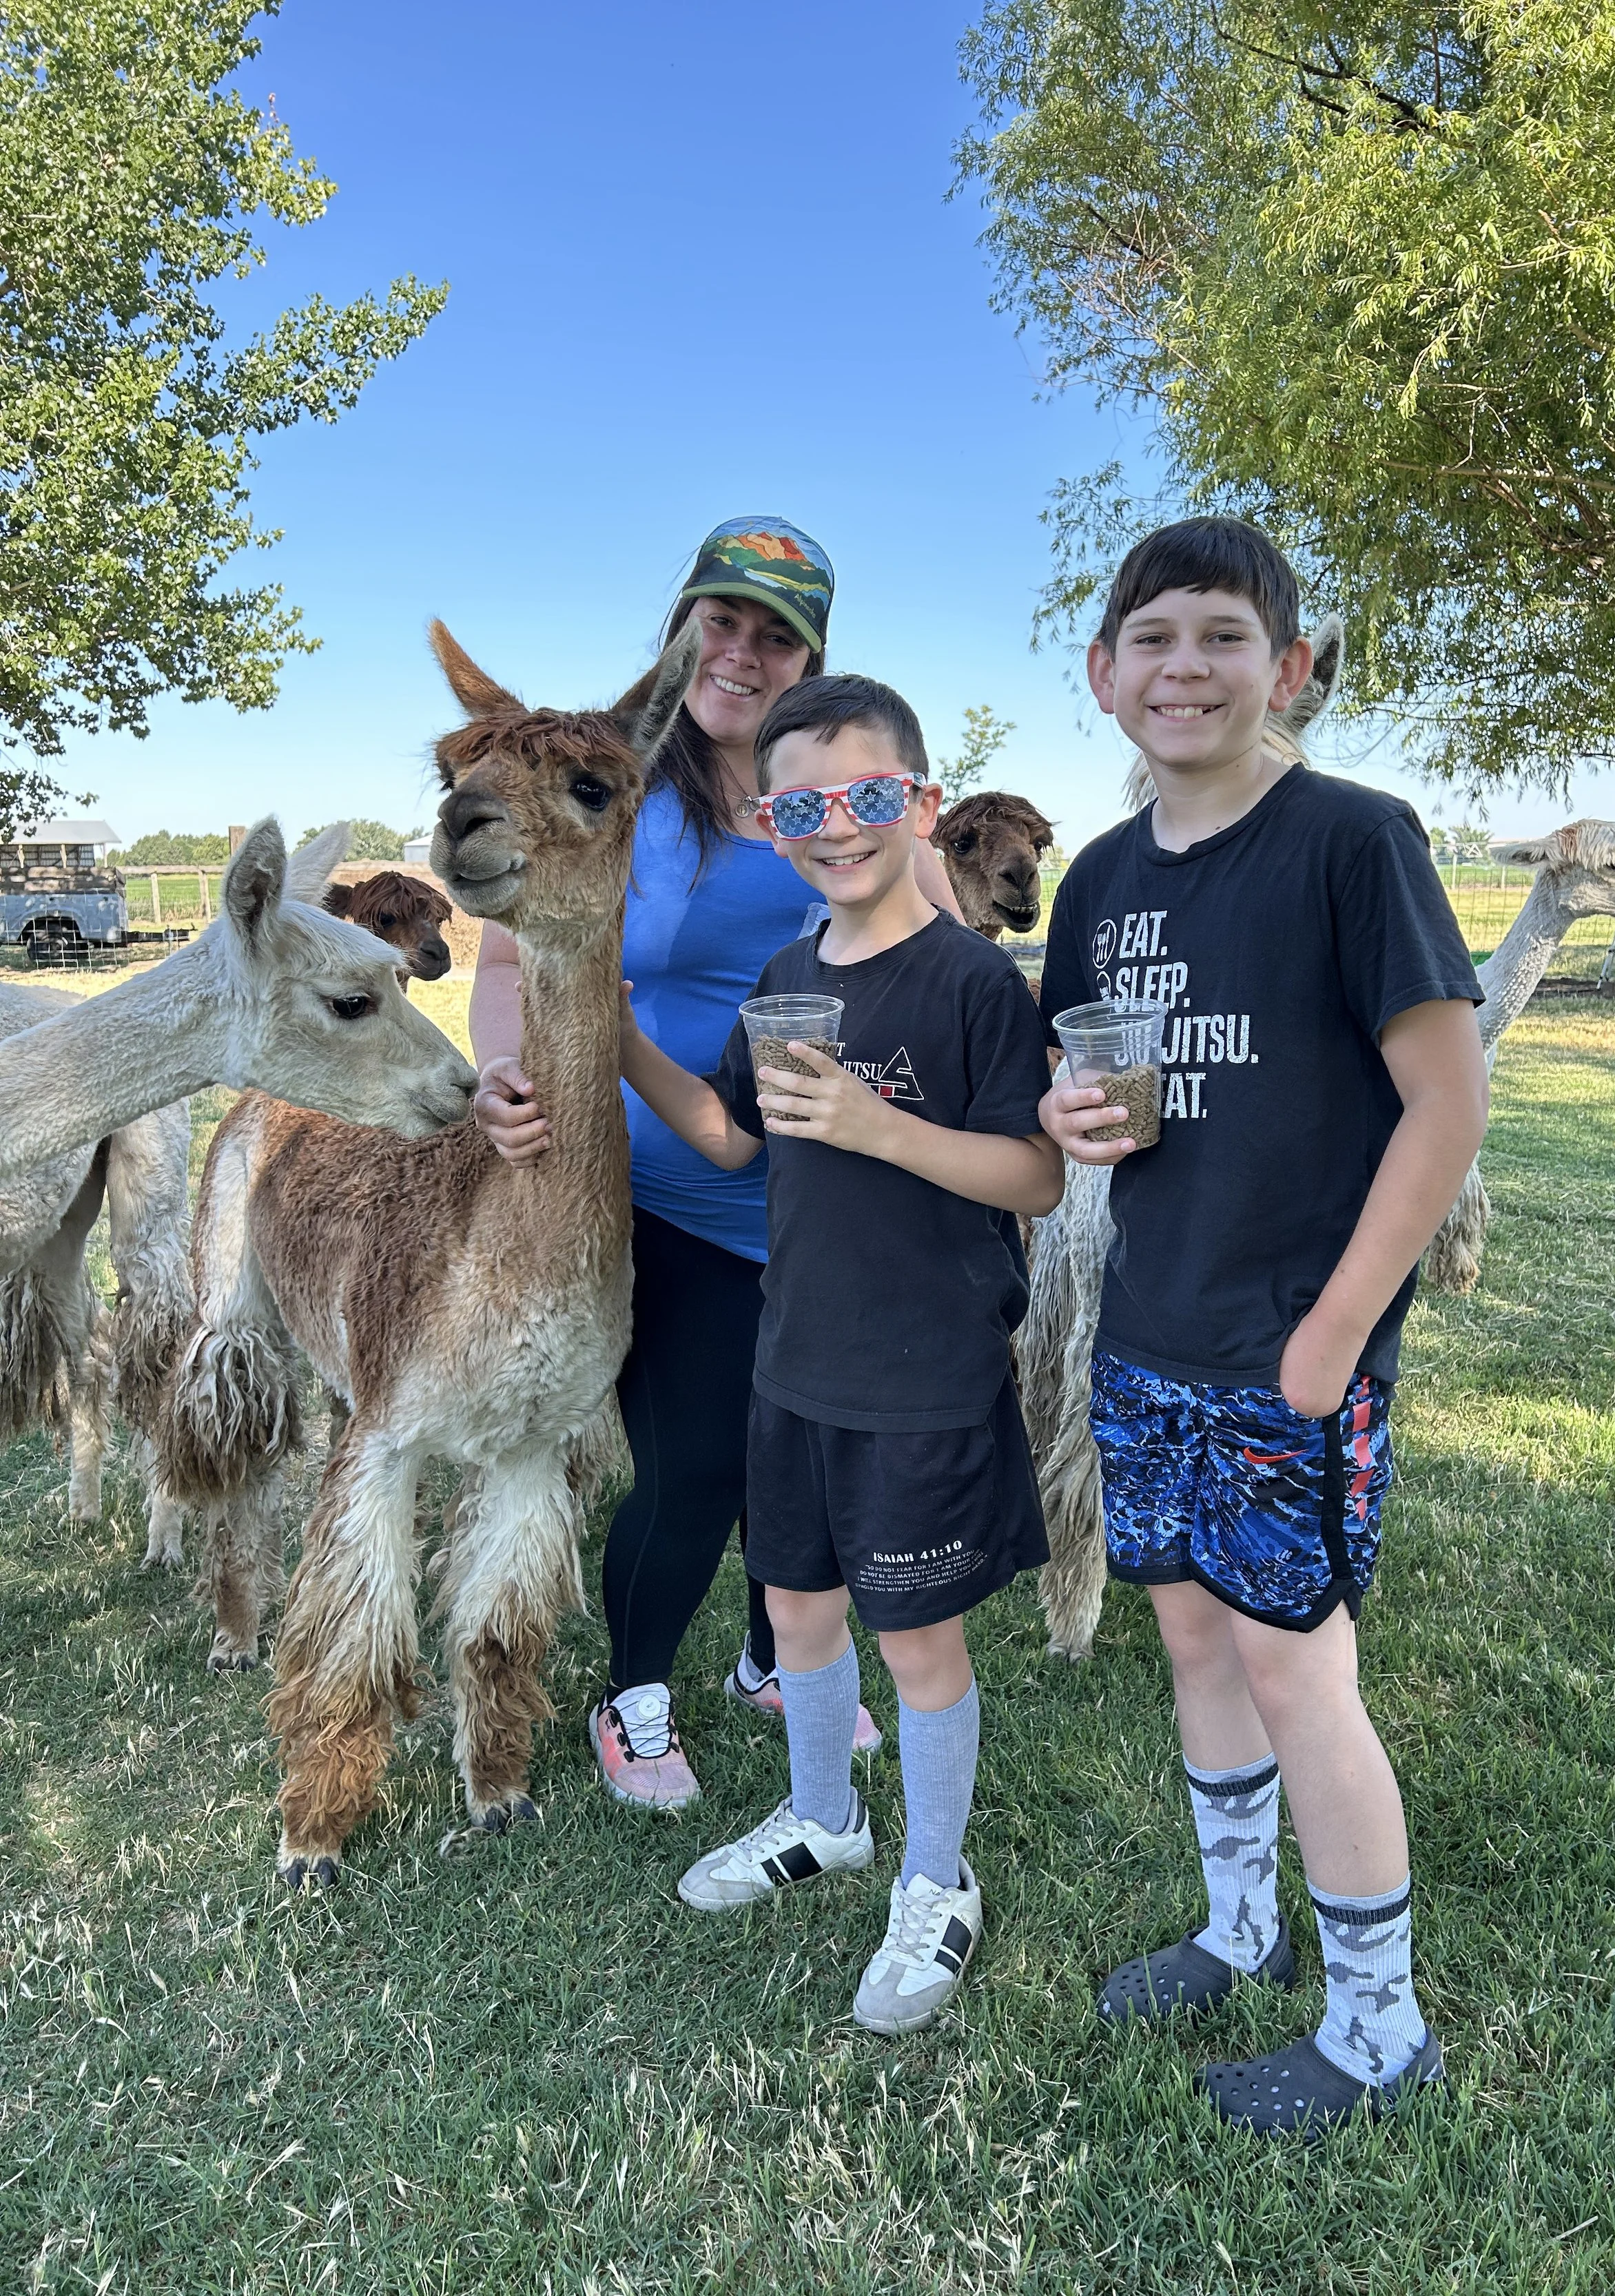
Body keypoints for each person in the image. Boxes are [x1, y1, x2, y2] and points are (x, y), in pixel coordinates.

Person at [1036, 517, 1488, 2135]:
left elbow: (1444, 1102)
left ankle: (1378, 2024)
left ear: (1285, 667)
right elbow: (1069, 1089)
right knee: (1191, 1636)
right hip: (1149, 1328)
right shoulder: (1092, 879)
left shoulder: (1352, 842)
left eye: (1224, 636)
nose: (1186, 666)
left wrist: (1333, 1335)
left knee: (1303, 1674)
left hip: (1290, 1350)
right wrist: (1075, 1118)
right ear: (1103, 676)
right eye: (1152, 638)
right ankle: (1238, 1925)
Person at [469, 519, 965, 1811]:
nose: (739, 652)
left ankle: (766, 1658)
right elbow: (513, 954)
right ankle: (632, 1693)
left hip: (825, 1201)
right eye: (720, 620)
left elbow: (942, 948)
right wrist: (503, 1070)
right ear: (682, 626)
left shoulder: (837, 797)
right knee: (694, 1462)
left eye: (774, 632)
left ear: (812, 658)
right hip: (658, 1191)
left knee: (792, 1455)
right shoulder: (614, 782)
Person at [619, 672, 1061, 2034]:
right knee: (798, 1611)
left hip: (924, 1370)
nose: (838, 823)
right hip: (791, 1355)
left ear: (918, 807)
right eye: (801, 803)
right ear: (770, 822)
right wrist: (613, 1039)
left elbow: (1035, 1176)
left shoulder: (973, 982)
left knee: (916, 1643)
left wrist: (880, 1127)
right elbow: (733, 1138)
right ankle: (822, 1817)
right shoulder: (785, 977)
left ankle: (937, 1875)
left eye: (868, 795)